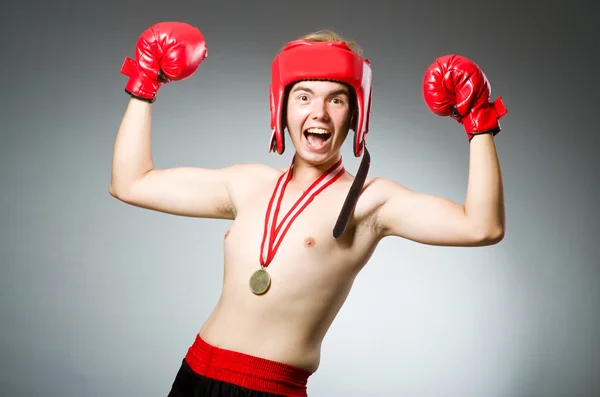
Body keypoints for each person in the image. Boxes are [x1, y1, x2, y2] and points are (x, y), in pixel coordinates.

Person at [109, 21, 507, 397]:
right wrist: (145, 84)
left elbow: (481, 226)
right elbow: (130, 183)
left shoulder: (370, 202)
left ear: (354, 115)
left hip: (270, 388)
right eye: (304, 97)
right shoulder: (248, 185)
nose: (319, 113)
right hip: (194, 374)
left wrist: (479, 119)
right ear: (282, 107)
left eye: (336, 99)